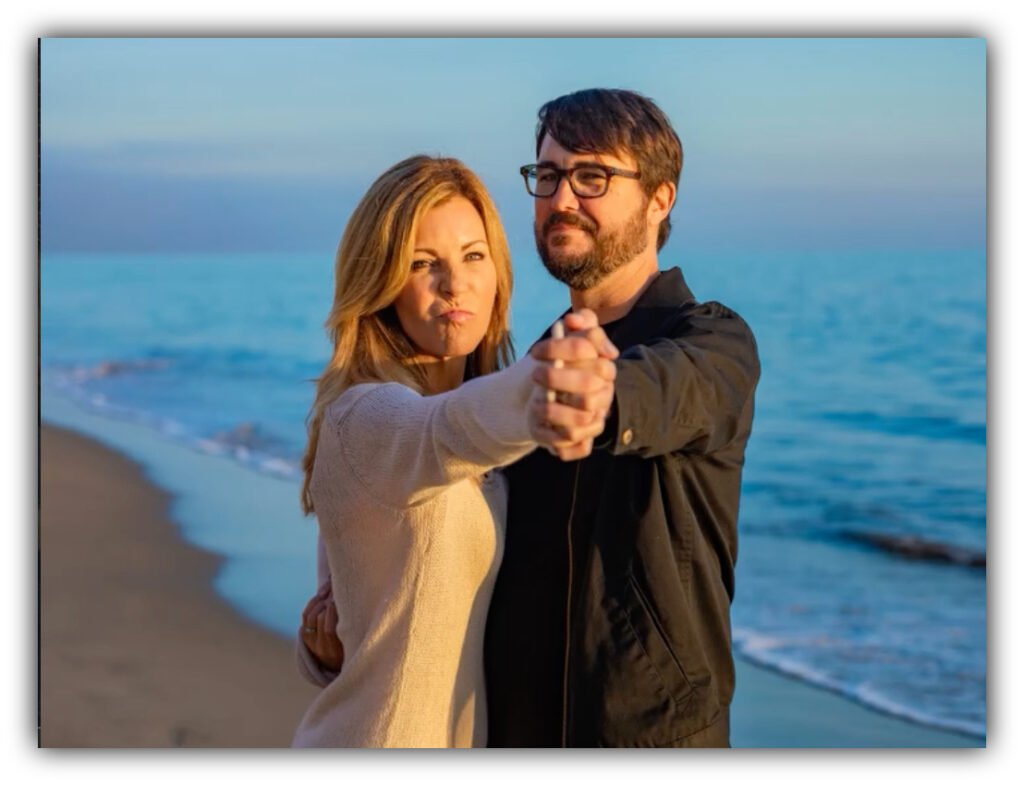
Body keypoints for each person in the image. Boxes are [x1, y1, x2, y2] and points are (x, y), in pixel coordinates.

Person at [291, 155, 616, 748]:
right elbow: (442, 431)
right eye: (423, 264)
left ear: (498, 272)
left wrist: (324, 649)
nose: (455, 284)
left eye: (473, 256)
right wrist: (545, 385)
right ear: (382, 281)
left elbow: (344, 610)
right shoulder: (364, 417)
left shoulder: (479, 443)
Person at [483, 88, 761, 747]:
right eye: (548, 175)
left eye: (592, 176)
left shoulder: (714, 342)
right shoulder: (533, 365)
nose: (561, 198)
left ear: (660, 199)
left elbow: (673, 388)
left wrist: (602, 393)